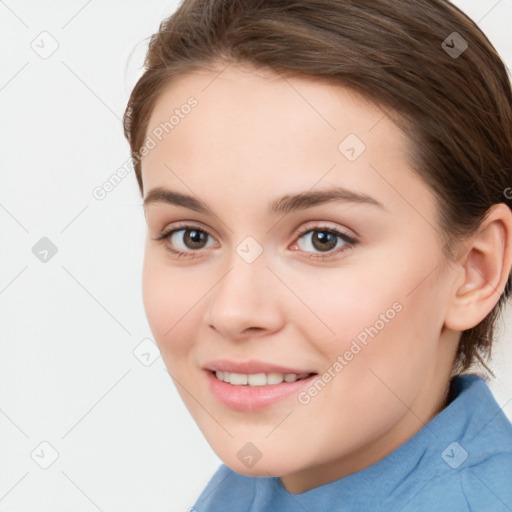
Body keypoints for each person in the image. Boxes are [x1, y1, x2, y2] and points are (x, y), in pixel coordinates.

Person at [123, 0, 512, 509]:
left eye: (322, 239)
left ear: (473, 270)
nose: (234, 312)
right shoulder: (260, 488)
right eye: (191, 236)